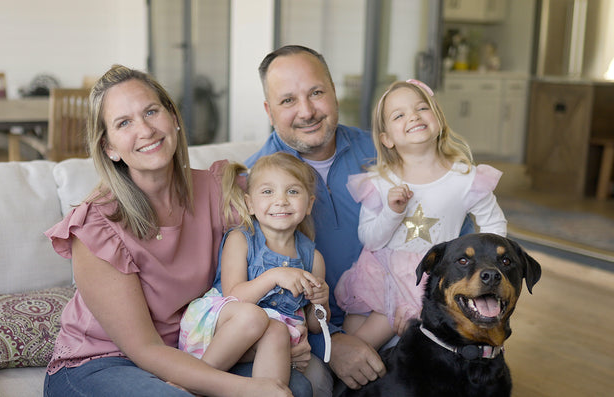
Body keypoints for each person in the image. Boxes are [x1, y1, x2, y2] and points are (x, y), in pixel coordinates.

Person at [42, 65, 309, 397]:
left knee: (297, 386)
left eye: (151, 111)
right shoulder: (97, 226)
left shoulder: (217, 189)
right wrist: (247, 389)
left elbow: (282, 214)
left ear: (173, 118)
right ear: (109, 147)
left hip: (192, 346)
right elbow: (144, 348)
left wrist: (287, 334)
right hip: (102, 362)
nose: (145, 130)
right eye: (123, 123)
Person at [246, 45, 386, 395]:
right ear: (269, 110)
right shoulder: (252, 185)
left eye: (317, 93)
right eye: (288, 100)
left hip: (395, 316)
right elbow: (246, 295)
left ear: (334, 93)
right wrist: (330, 343)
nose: (307, 111)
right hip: (307, 340)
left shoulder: (385, 153)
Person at [334, 79, 508, 350]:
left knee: (369, 346)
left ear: (438, 118)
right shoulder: (379, 181)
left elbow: (493, 221)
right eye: (399, 115)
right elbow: (370, 239)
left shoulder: (464, 178)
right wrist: (393, 212)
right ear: (387, 139)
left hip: (427, 281)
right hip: (378, 277)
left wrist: (487, 262)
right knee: (352, 332)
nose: (413, 116)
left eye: (421, 108)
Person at [179, 152, 330, 390]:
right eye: (268, 192)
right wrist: (274, 276)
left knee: (278, 330)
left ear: (309, 203)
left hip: (268, 339)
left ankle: (267, 391)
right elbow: (235, 296)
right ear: (250, 203)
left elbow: (313, 323)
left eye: (292, 191)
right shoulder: (241, 239)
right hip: (223, 327)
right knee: (254, 316)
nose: (281, 200)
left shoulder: (313, 258)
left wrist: (322, 302)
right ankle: (194, 384)